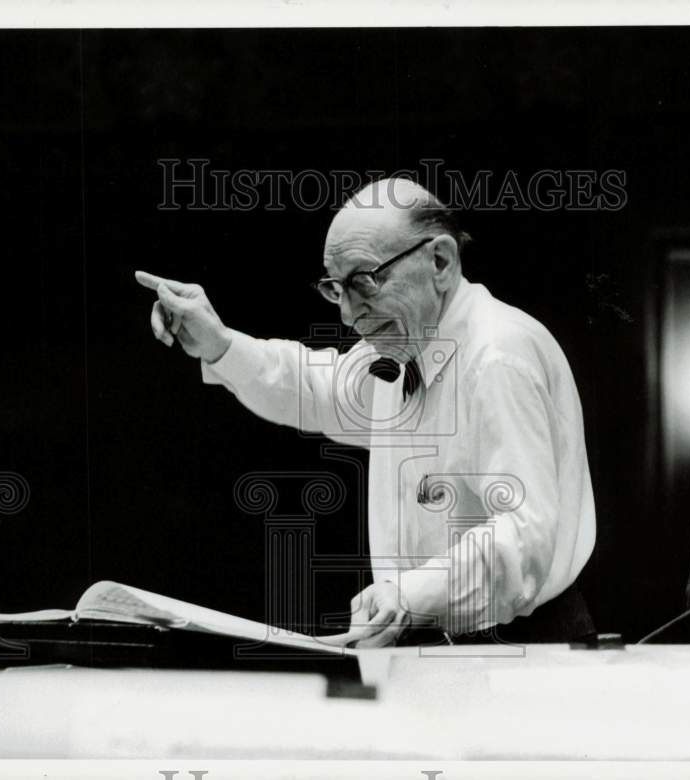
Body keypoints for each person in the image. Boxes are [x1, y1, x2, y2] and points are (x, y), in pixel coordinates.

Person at [135, 178, 596, 647]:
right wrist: (220, 344)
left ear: (440, 261)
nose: (349, 315)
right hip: (440, 646)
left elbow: (524, 537)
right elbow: (316, 387)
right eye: (336, 288)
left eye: (365, 281)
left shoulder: (498, 355)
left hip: (525, 650)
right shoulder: (403, 349)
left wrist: (409, 593)